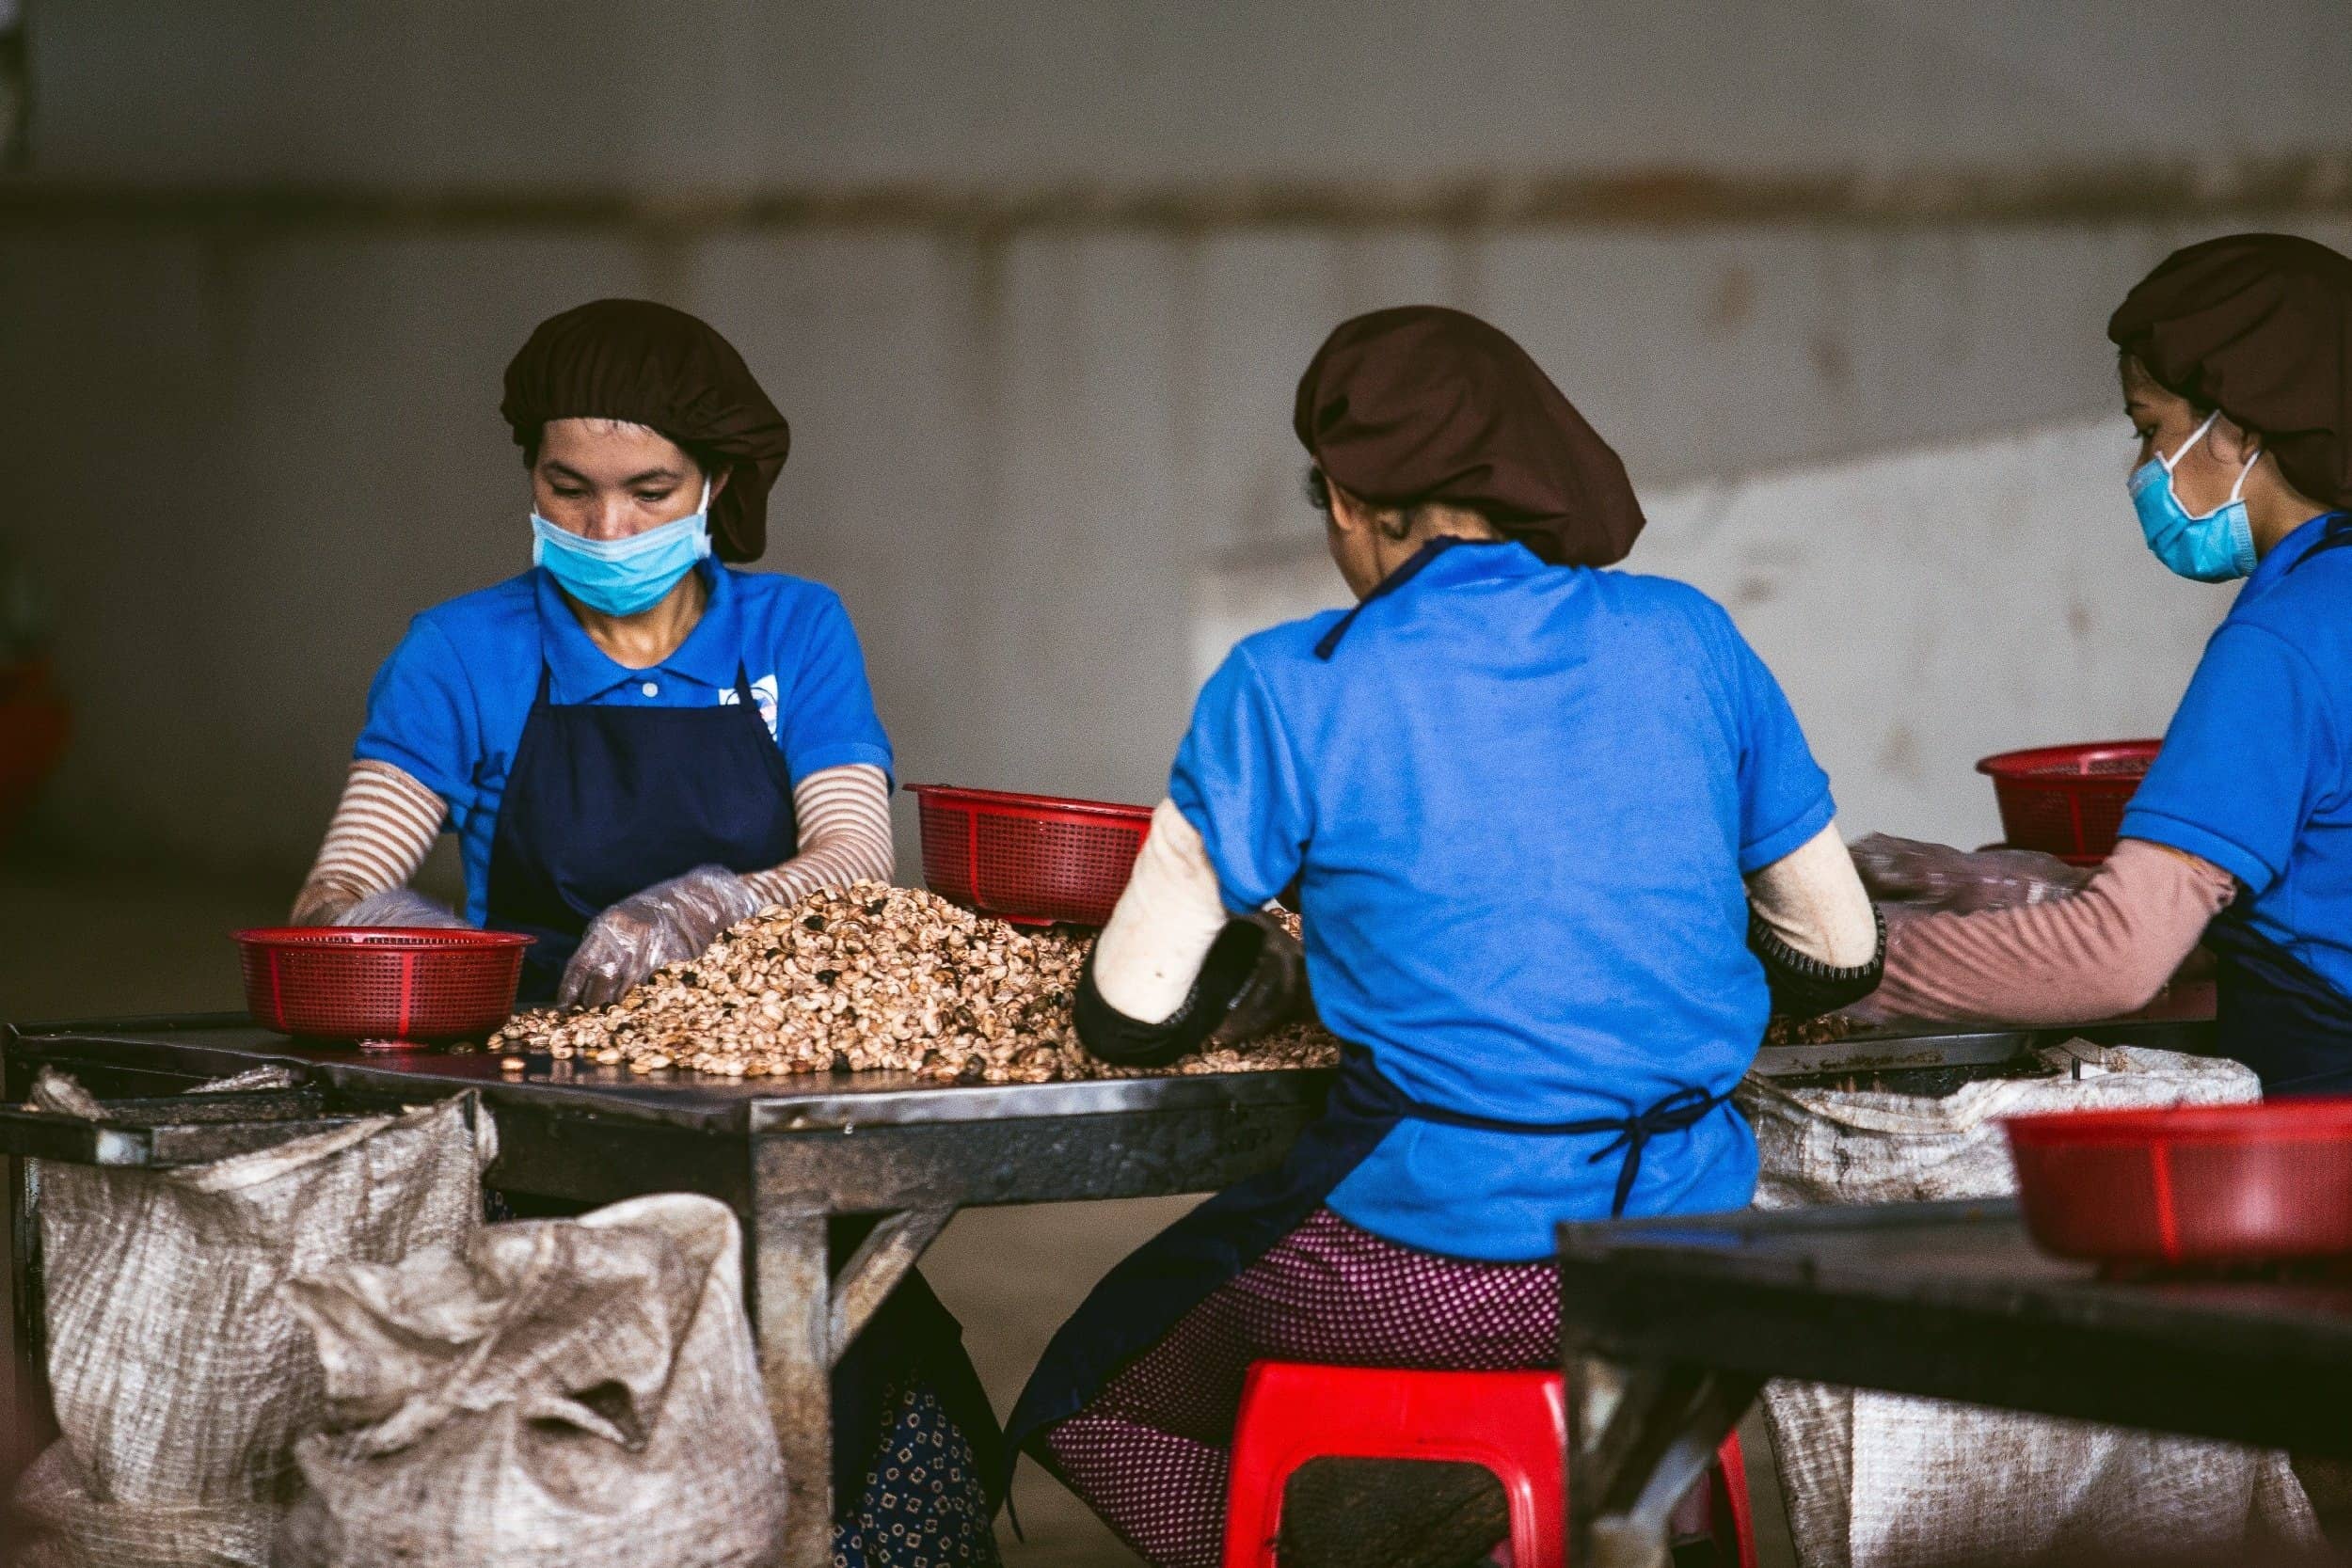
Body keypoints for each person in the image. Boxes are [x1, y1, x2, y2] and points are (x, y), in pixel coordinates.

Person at [1002, 306, 1883, 1567]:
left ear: (1356, 503)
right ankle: (1583, 1515)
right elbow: (1841, 955)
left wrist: (1272, 968)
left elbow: (1125, 1009)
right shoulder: (1690, 632)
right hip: (1694, 1244)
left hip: (1442, 1258)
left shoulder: (1292, 677)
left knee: (1096, 1382)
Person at [290, 298, 1003, 1564]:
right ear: (530, 475)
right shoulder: (463, 651)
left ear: (715, 483)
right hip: (550, 1131)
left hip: (770, 1095)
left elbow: (854, 856)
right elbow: (341, 880)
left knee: (889, 1457)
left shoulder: (793, 631)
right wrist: (390, 924)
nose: (605, 526)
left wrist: (716, 899)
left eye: (646, 488)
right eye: (567, 489)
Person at [1859, 234, 2352, 1097]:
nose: (2142, 469)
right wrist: (2018, 886)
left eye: (2151, 430)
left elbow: (2119, 955)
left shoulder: (2286, 639)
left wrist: (1843, 965)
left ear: (2236, 428)